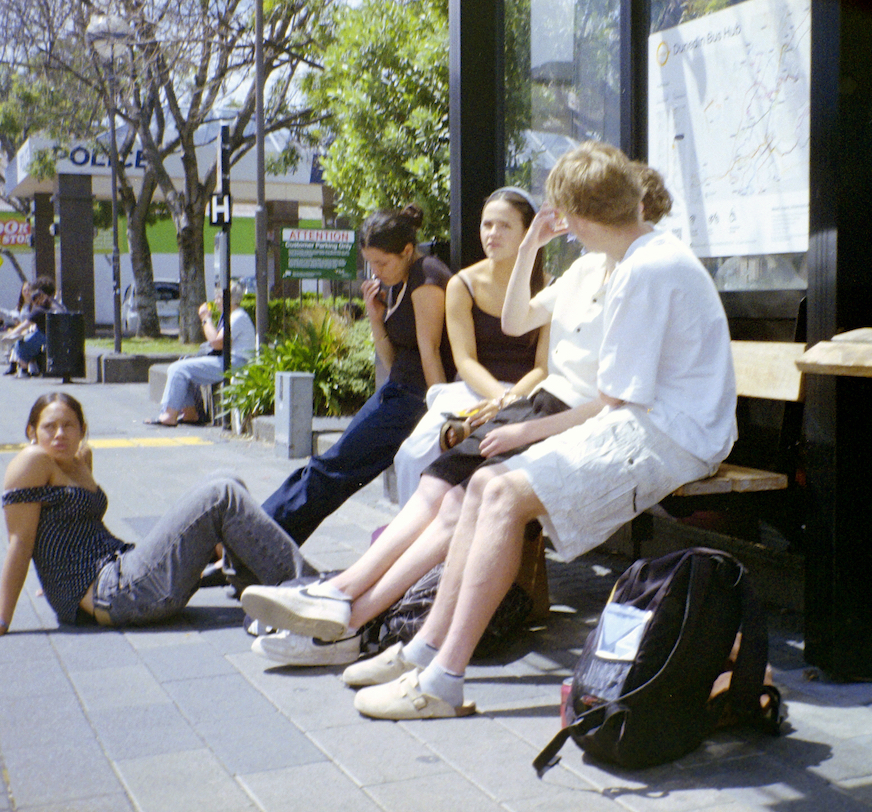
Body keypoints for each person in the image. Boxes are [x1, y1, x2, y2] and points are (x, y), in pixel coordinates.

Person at [343, 142, 738, 719]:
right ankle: (425, 651)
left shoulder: (646, 271)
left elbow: (615, 402)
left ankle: (443, 677)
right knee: (484, 486)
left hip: (677, 434)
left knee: (501, 492)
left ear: (577, 217)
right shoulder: (626, 259)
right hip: (644, 417)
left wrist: (528, 435)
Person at [0, 393, 308, 640]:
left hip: (122, 572)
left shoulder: (80, 459)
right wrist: (0, 620)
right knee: (221, 496)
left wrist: (57, 571)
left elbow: (76, 526)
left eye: (69, 425)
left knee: (226, 479)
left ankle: (261, 594)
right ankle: (308, 592)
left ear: (82, 430)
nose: (59, 434)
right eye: (48, 427)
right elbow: (20, 542)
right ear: (31, 432)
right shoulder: (31, 462)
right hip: (116, 594)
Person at [259, 204, 455, 544]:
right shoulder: (399, 281)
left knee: (332, 470)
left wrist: (443, 415)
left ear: (407, 250)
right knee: (330, 469)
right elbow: (392, 361)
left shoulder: (426, 276)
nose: (375, 271)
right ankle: (260, 535)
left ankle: (257, 536)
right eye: (370, 263)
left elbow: (431, 350)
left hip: (415, 401)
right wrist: (375, 316)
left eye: (382, 262)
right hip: (399, 392)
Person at [391, 187, 550, 506]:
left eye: (504, 226)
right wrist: (498, 399)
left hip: (528, 394)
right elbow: (465, 361)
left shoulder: (549, 287)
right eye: (487, 224)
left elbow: (543, 367)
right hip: (474, 391)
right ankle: (417, 547)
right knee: (412, 454)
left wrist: (510, 401)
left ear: (527, 233)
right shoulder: (462, 284)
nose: (492, 233)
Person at [146, 279, 255, 426]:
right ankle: (190, 413)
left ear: (226, 299)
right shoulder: (232, 316)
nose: (215, 302)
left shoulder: (237, 317)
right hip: (229, 360)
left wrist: (205, 319)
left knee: (177, 369)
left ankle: (169, 415)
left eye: (218, 298)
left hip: (236, 363)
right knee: (183, 366)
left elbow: (216, 342)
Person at [0, 276, 63, 377]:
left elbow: (24, 325)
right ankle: (27, 368)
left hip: (46, 337)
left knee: (19, 344)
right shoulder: (57, 305)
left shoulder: (39, 309)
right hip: (58, 337)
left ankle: (24, 370)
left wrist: (10, 334)